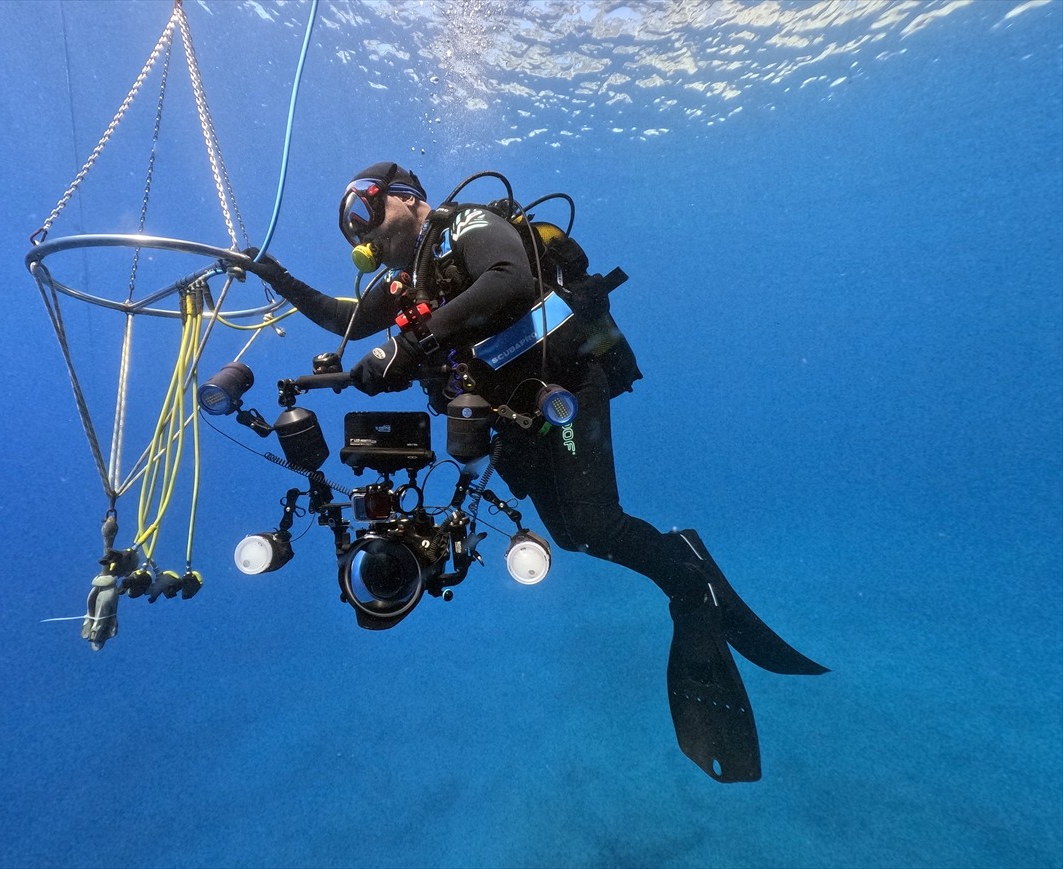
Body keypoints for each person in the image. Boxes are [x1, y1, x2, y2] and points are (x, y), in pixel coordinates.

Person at [246, 161, 826, 782]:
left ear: (409, 199)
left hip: (564, 389)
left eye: (363, 208)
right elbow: (344, 318)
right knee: (572, 536)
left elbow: (510, 279)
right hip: (509, 415)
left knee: (595, 524)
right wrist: (273, 274)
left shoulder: (466, 225)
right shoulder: (406, 282)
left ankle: (688, 586)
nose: (357, 230)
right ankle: (679, 552)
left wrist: (410, 344)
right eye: (346, 224)